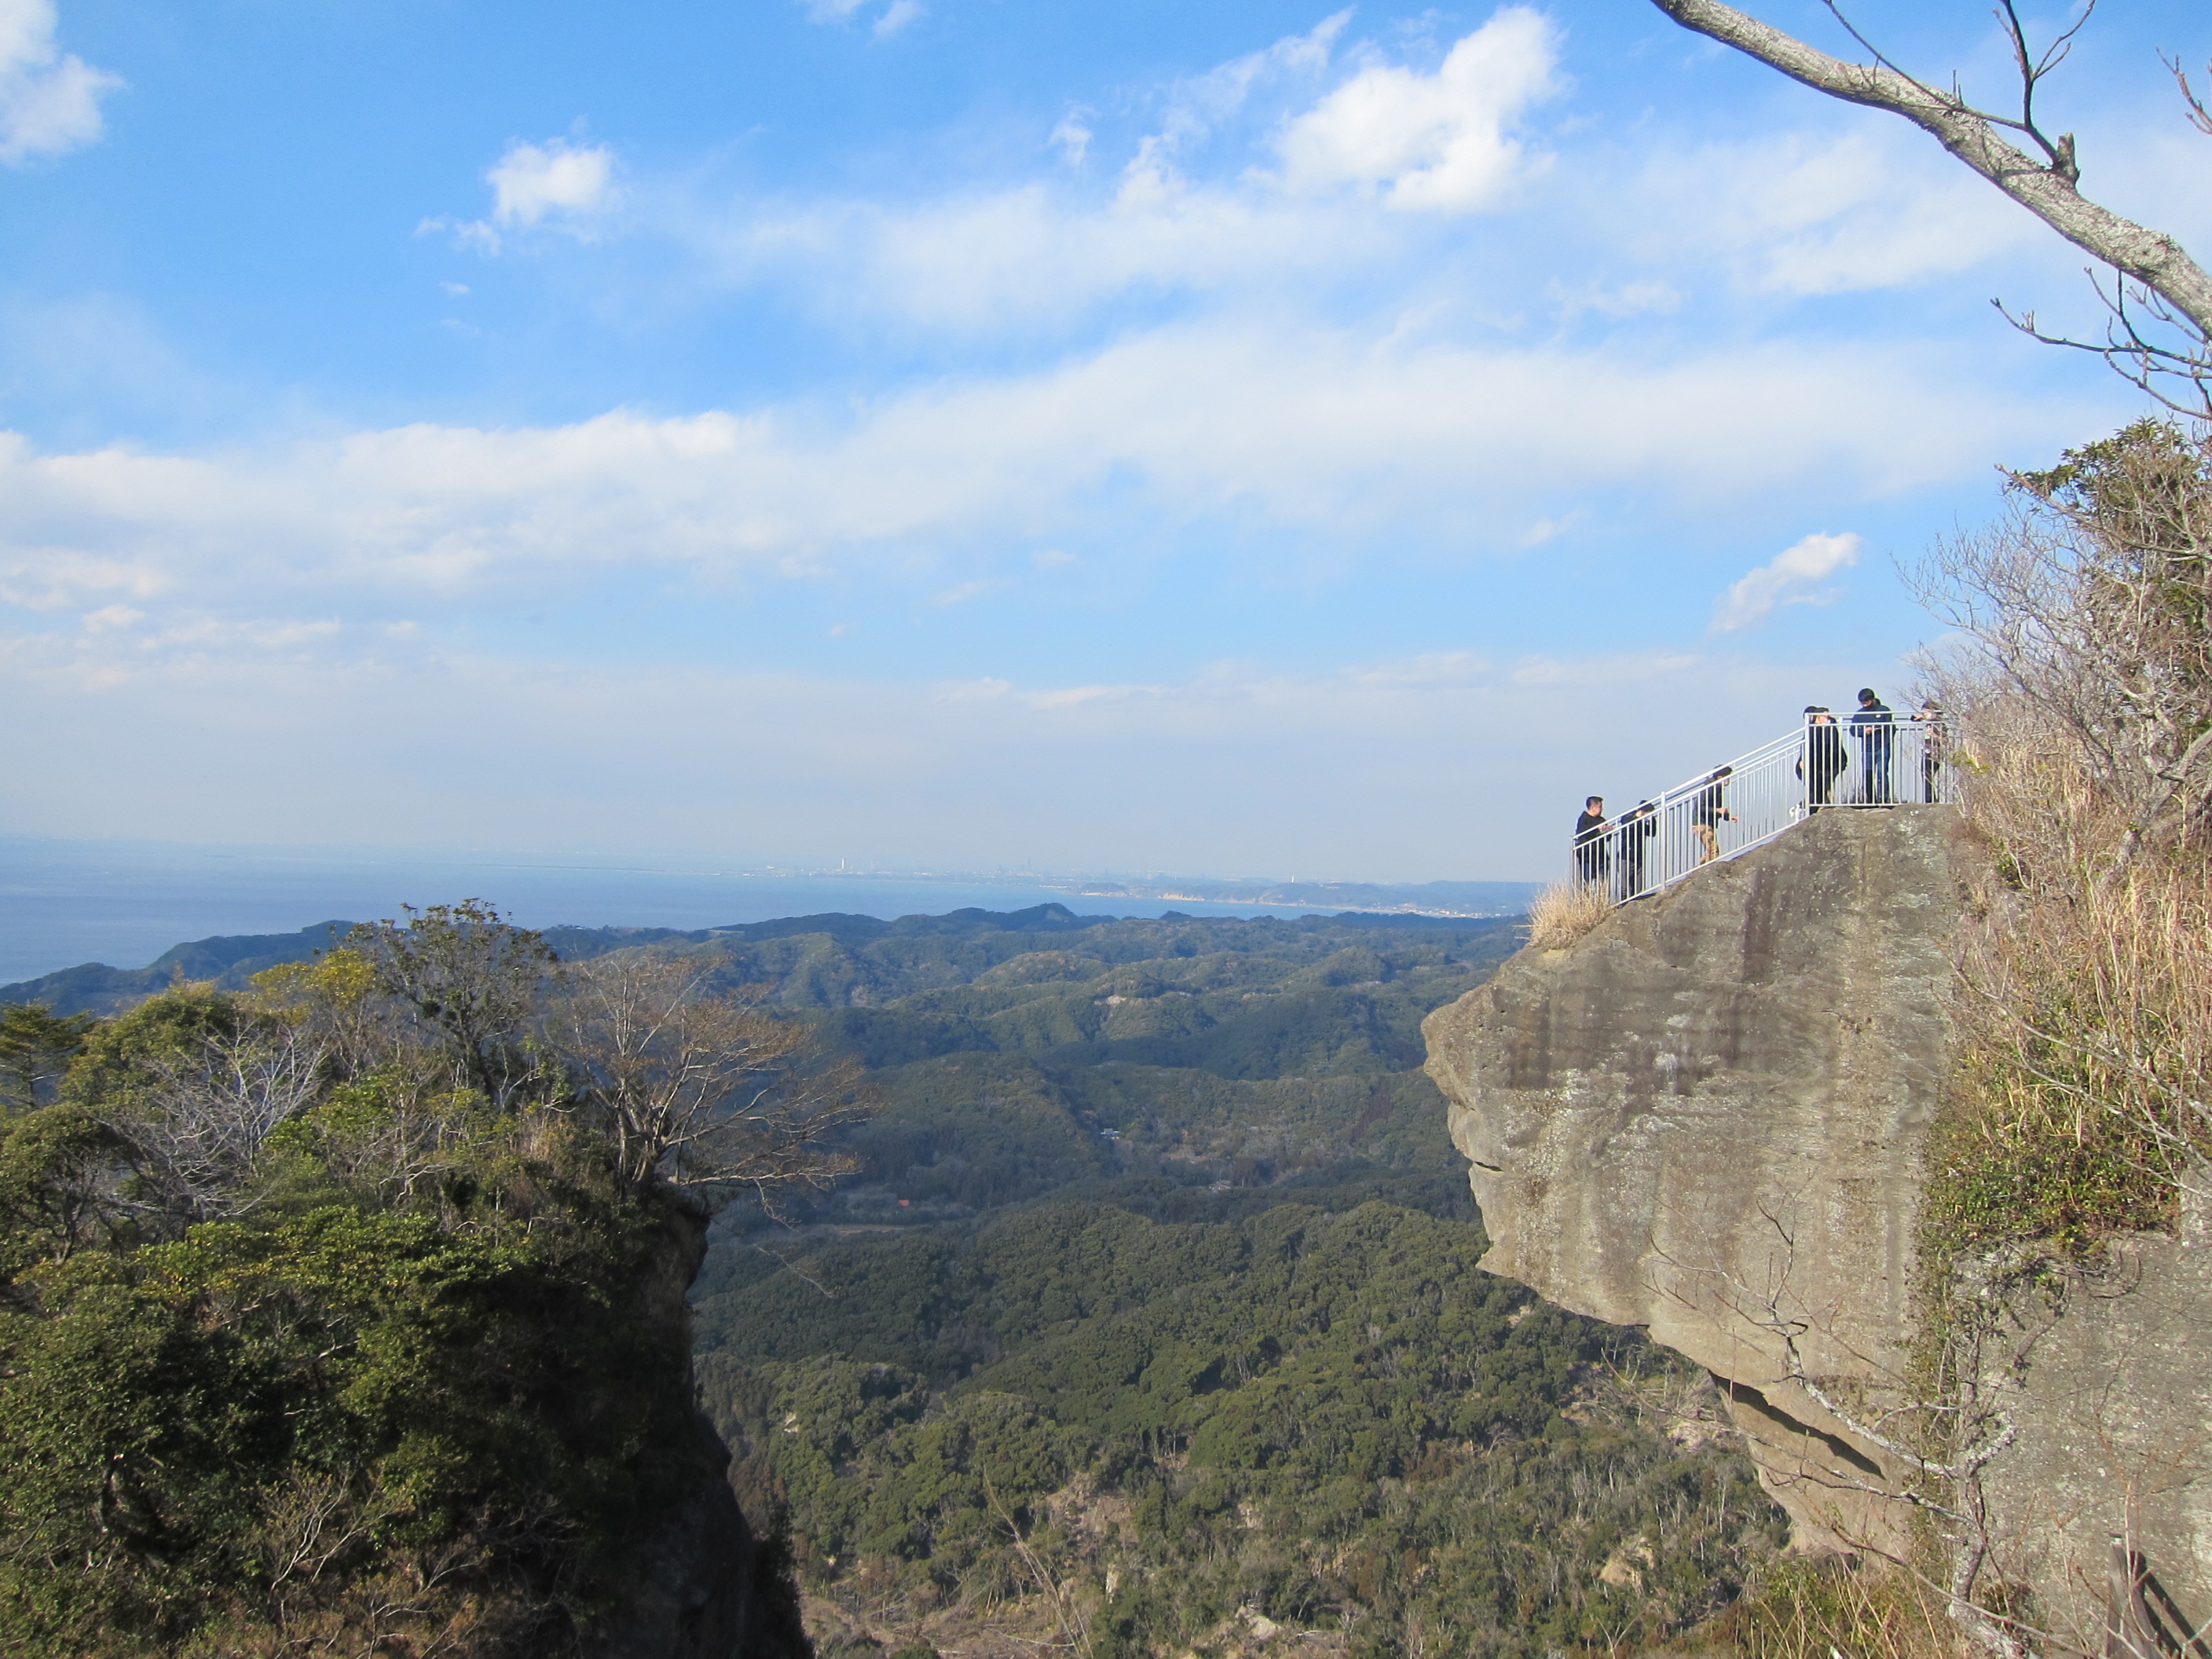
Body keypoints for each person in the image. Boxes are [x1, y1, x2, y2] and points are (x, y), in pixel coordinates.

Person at [1795, 705, 1848, 811]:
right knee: (1816, 789)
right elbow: (1808, 746)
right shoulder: (1814, 729)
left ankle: (1805, 808)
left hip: (1829, 764)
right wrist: (1804, 760)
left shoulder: (1827, 727)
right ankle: (1806, 808)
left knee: (1819, 789)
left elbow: (1830, 744)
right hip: (1816, 764)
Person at [1850, 687, 1894, 804]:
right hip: (1867, 749)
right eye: (1862, 703)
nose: (1864, 705)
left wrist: (1886, 743)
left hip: (1882, 747)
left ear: (1872, 699)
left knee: (1882, 773)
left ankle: (1884, 799)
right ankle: (1870, 800)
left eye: (1866, 702)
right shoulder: (1859, 715)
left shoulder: (1884, 710)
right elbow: (1853, 731)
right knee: (1868, 774)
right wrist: (1864, 731)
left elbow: (1891, 729)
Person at [1690, 766, 1734, 864]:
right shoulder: (1709, 788)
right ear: (1720, 777)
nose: (1729, 780)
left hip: (1708, 823)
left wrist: (1728, 816)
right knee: (1713, 848)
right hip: (1701, 823)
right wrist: (1718, 810)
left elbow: (1718, 810)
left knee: (1710, 850)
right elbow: (1700, 807)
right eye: (1728, 777)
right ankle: (1705, 870)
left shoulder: (1718, 789)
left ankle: (1702, 868)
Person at [1617, 800, 1659, 899]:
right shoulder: (1629, 817)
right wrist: (1637, 818)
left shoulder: (1642, 823)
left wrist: (1652, 820)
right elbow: (1628, 827)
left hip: (1638, 856)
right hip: (1625, 856)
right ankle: (1624, 905)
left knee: (1638, 888)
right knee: (1625, 888)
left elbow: (1652, 833)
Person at [1911, 698, 1945, 803]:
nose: (1924, 714)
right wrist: (1919, 718)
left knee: (1928, 776)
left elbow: (1945, 740)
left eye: (1926, 711)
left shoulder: (1939, 724)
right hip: (1927, 753)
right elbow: (1912, 719)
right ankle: (1930, 799)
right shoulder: (1929, 723)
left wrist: (1934, 736)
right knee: (1926, 776)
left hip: (1935, 753)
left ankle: (1931, 800)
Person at [1573, 796, 1611, 886]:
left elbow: (1608, 838)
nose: (1602, 809)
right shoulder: (1584, 819)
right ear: (1593, 807)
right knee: (1587, 881)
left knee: (1602, 882)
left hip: (1601, 856)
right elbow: (1582, 832)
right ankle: (1587, 899)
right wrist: (1597, 830)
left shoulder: (1601, 820)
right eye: (1600, 806)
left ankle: (1600, 899)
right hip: (1587, 856)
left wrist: (1608, 831)